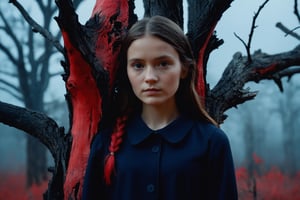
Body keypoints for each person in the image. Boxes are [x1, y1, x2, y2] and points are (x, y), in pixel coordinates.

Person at [82, 15, 238, 200]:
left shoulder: (211, 142)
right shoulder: (105, 143)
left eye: (163, 64)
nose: (150, 77)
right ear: (126, 71)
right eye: (138, 65)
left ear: (184, 69)